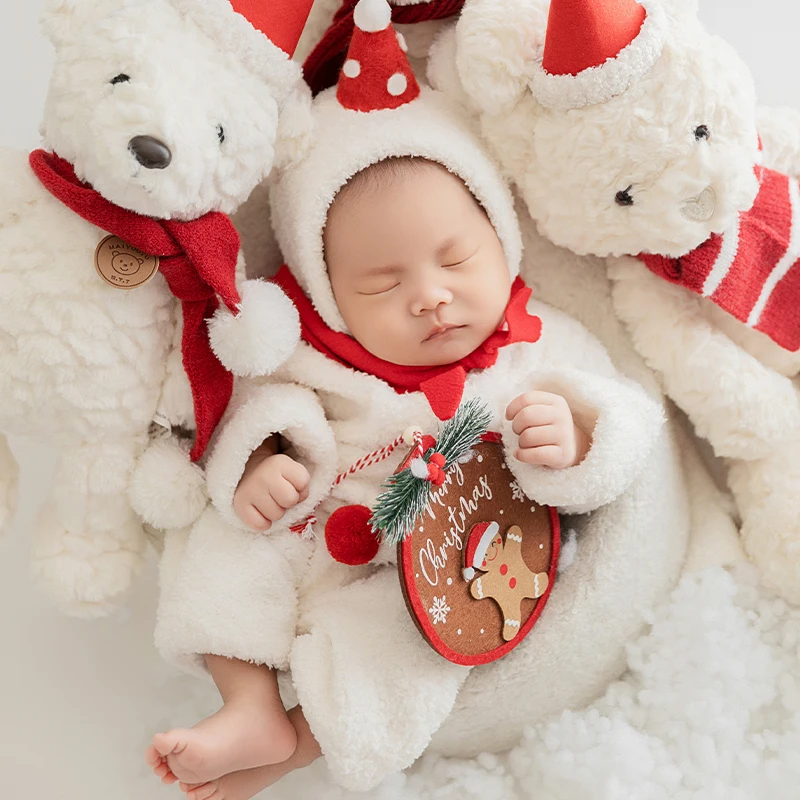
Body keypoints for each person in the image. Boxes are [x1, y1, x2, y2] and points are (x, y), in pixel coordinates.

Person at [147, 2, 664, 797]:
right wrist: (264, 459)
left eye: (456, 260)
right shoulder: (308, 352)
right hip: (316, 526)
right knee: (222, 548)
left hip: (449, 564)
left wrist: (577, 434)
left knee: (408, 645)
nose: (430, 297)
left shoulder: (534, 342)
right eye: (381, 285)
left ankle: (302, 741)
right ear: (324, 294)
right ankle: (248, 700)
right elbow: (250, 405)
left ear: (502, 237)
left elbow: (626, 415)